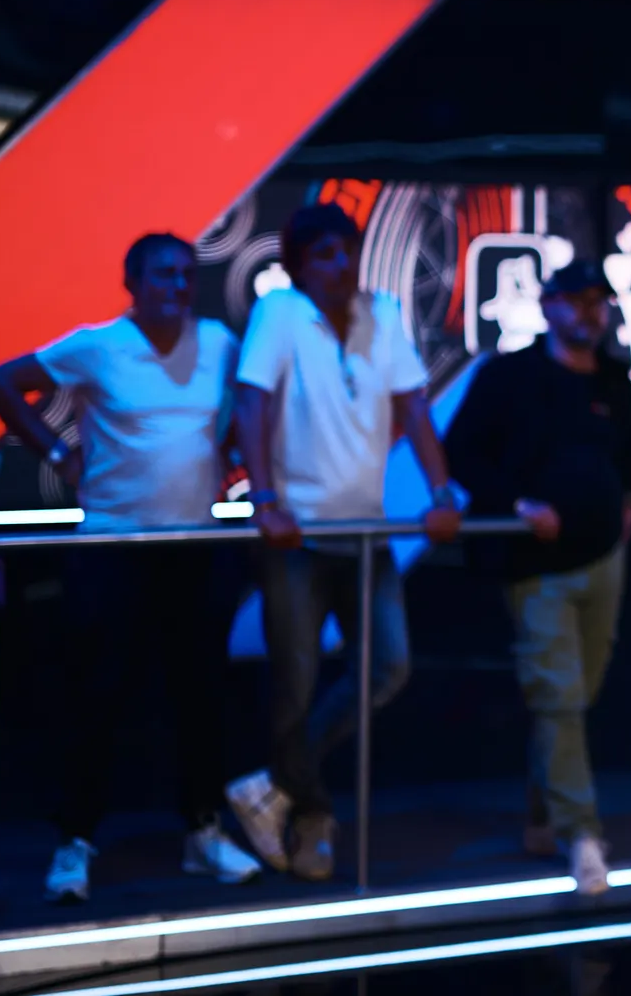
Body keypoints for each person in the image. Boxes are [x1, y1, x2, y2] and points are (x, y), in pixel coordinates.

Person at [0, 233, 260, 903]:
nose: (177, 285)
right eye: (163, 273)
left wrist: (228, 455)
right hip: (112, 548)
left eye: (186, 274)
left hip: (194, 546)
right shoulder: (98, 345)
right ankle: (75, 841)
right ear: (132, 283)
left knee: (200, 699)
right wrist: (57, 453)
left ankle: (202, 830)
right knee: (96, 699)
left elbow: (248, 411)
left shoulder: (218, 341)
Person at [225, 203, 461, 881]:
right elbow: (251, 404)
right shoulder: (280, 313)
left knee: (389, 666)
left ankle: (272, 785)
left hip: (365, 531)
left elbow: (414, 406)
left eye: (348, 251)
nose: (342, 265)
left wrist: (441, 491)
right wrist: (264, 501)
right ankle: (309, 815)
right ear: (299, 266)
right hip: (297, 535)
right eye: (325, 254)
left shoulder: (382, 313)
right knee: (294, 685)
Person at [444, 260, 631, 895]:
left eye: (598, 301)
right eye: (577, 299)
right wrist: (517, 505)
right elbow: (461, 451)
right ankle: (582, 834)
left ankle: (542, 817)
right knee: (558, 696)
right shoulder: (510, 376)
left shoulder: (613, 378)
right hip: (536, 565)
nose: (590, 311)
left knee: (578, 694)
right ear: (548, 305)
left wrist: (628, 502)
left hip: (604, 558)